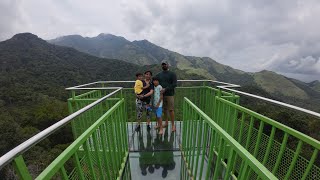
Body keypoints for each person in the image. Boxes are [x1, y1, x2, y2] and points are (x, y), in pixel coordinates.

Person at [155, 60, 177, 132]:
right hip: (161, 95)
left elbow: (174, 84)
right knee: (164, 110)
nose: (164, 65)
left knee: (171, 110)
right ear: (161, 65)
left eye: (165, 64)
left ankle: (173, 125)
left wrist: (166, 89)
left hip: (170, 94)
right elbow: (154, 82)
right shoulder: (158, 75)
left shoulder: (172, 74)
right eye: (163, 64)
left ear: (168, 65)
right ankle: (166, 123)